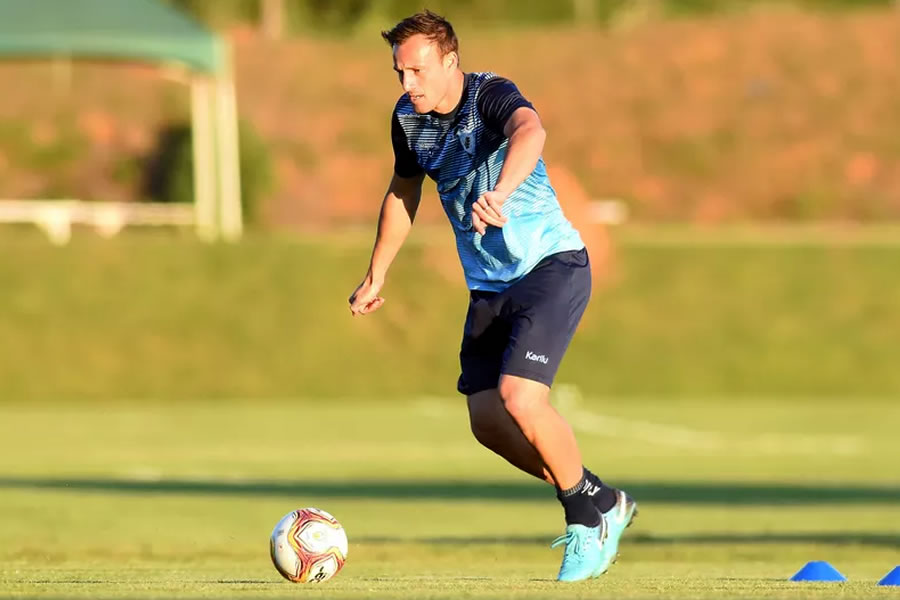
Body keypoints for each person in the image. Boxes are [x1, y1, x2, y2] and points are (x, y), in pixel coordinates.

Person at [348, 10, 636, 582]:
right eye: (400, 72)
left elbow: (532, 132)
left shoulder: (489, 95)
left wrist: (500, 192)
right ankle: (598, 497)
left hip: (549, 266)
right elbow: (403, 192)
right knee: (487, 420)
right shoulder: (408, 120)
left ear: (450, 61)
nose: (407, 83)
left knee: (520, 398)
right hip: (488, 285)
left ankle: (587, 520)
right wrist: (377, 271)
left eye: (417, 70)